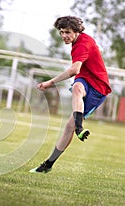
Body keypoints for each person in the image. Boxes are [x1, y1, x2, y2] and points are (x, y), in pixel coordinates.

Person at [30, 16, 112, 173]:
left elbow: (74, 70)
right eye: (61, 32)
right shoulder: (80, 42)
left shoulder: (82, 45)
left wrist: (50, 82)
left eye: (67, 32)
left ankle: (77, 127)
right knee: (77, 88)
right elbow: (84, 63)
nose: (63, 36)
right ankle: (48, 165)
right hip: (85, 79)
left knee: (69, 126)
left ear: (77, 31)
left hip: (98, 87)